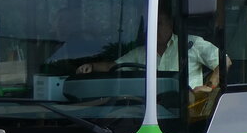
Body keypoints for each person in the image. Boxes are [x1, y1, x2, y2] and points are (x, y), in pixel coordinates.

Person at [78, 8, 223, 92]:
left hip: (186, 112)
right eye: (151, 25)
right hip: (149, 112)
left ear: (170, 24)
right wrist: (91, 66)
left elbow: (224, 62)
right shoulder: (140, 52)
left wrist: (208, 87)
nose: (155, 29)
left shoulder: (191, 43)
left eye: (159, 23)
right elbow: (113, 67)